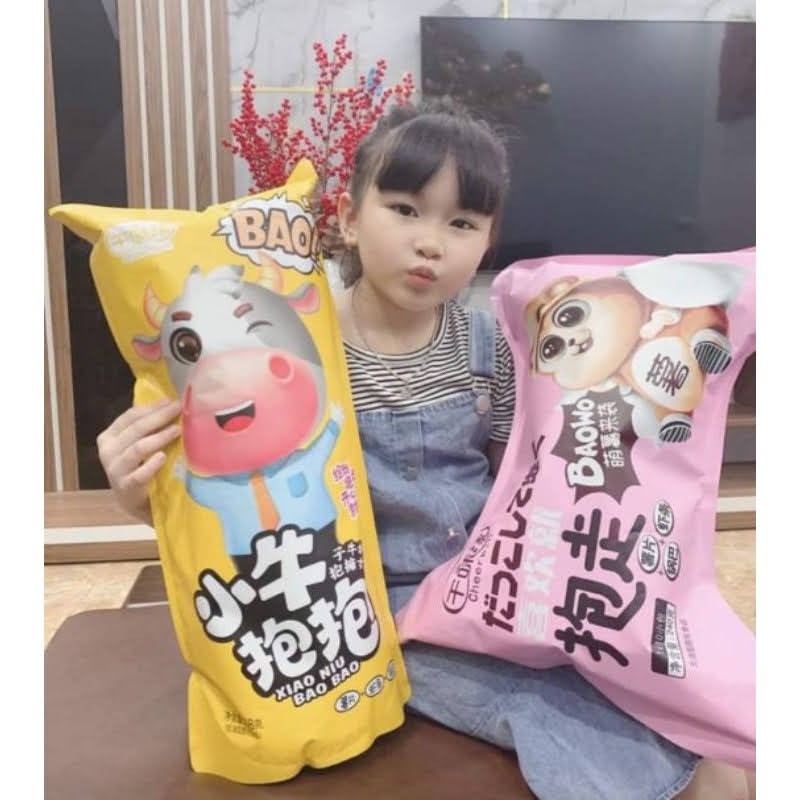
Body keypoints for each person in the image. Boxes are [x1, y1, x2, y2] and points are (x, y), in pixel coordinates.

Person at [96, 100, 754, 800]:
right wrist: (139, 489)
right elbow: (227, 506)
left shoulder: (492, 346)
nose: (431, 242)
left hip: (490, 591)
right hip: (379, 617)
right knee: (554, 715)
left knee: (686, 718)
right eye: (405, 209)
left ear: (488, 242)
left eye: (461, 223)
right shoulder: (301, 349)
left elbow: (518, 485)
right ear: (348, 218)